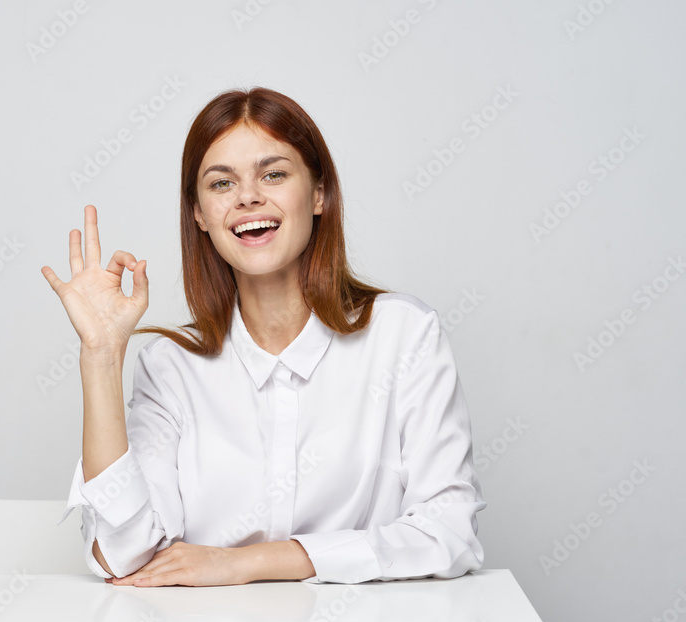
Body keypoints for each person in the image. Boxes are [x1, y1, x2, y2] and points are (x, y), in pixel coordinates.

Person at [41, 87, 485, 587]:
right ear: (199, 215)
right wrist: (101, 357)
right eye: (221, 183)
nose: (248, 196)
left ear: (319, 194)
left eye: (273, 174)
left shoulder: (403, 335)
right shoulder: (170, 367)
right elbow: (126, 557)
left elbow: (450, 532)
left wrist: (247, 562)